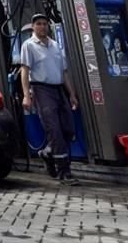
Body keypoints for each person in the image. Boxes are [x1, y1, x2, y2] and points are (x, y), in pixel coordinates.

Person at [19, 13, 80, 185]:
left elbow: (64, 72)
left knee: (68, 129)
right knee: (54, 130)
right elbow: (25, 71)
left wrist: (72, 94)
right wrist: (26, 96)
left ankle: (47, 152)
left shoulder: (55, 46)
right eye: (38, 24)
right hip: (41, 89)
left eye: (45, 24)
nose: (42, 27)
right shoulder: (29, 46)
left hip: (59, 89)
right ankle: (64, 172)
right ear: (33, 27)